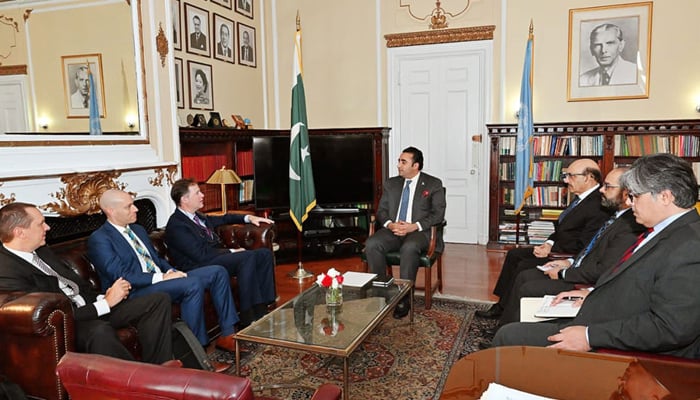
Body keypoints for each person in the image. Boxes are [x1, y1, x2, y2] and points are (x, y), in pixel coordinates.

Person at [493, 153, 700, 360]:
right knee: (517, 327)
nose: (630, 202)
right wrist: (592, 292)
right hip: (602, 316)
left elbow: (671, 327)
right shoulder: (669, 231)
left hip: (617, 342)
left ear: (665, 196)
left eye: (635, 196)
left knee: (509, 336)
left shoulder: (690, 246)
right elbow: (637, 282)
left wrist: (589, 336)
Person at [0, 202, 173, 364]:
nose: (48, 227)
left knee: (157, 300)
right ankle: (137, 382)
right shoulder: (7, 270)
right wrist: (106, 304)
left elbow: (78, 287)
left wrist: (104, 296)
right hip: (67, 324)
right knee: (99, 331)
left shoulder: (42, 251)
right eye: (40, 224)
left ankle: (159, 368)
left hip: (91, 307)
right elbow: (47, 316)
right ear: (20, 232)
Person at [87, 189, 239, 355]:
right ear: (111, 210)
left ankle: (227, 334)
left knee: (217, 272)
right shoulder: (100, 239)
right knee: (192, 284)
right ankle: (195, 353)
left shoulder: (138, 230)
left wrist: (173, 271)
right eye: (129, 206)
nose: (136, 209)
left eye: (134, 204)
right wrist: (163, 277)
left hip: (162, 281)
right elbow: (120, 275)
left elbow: (156, 260)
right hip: (135, 292)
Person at [495, 167, 646, 326]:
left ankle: (510, 332)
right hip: (575, 265)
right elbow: (589, 247)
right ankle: (505, 322)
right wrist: (569, 261)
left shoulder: (630, 225)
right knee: (523, 273)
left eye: (608, 186)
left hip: (585, 281)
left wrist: (564, 273)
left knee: (527, 283)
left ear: (626, 192)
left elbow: (604, 269)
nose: (602, 190)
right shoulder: (615, 215)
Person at [476, 158, 610, 320]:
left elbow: (586, 245)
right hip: (557, 248)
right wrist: (549, 243)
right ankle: (502, 305)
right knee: (514, 255)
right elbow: (562, 228)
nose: (566, 180)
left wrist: (552, 251)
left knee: (523, 266)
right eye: (566, 176)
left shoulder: (598, 205)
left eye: (571, 176)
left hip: (566, 256)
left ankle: (510, 313)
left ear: (588, 178)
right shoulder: (581, 198)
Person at [165, 178, 277, 327]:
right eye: (197, 193)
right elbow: (200, 255)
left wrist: (248, 217)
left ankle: (265, 304)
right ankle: (248, 315)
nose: (202, 195)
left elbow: (225, 217)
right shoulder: (177, 225)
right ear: (184, 199)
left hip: (213, 257)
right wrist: (231, 251)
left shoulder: (197, 216)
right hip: (198, 265)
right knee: (246, 257)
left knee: (264, 254)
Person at [364, 146, 446, 319]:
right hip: (393, 229)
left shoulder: (433, 184)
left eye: (403, 162)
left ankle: (404, 298)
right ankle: (382, 291)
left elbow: (438, 215)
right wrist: (390, 224)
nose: (398, 165)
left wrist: (413, 226)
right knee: (372, 243)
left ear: (415, 165)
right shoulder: (391, 183)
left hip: (419, 232)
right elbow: (382, 211)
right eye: (399, 161)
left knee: (409, 247)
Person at [579, 23, 638, 87]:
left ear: (621, 45)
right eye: (597, 45)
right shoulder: (582, 80)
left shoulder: (636, 74)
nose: (603, 50)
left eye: (609, 43)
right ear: (591, 49)